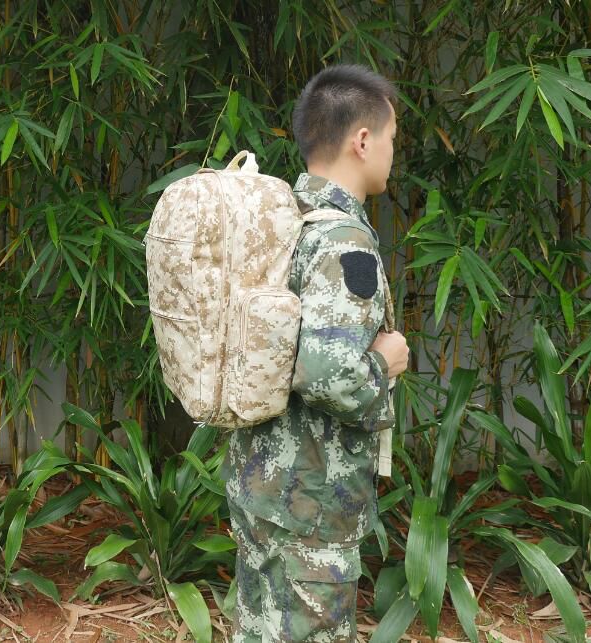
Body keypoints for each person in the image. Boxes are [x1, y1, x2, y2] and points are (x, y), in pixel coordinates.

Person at [222, 64, 411, 642]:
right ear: (362, 141)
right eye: (391, 138)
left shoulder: (281, 221)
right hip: (310, 500)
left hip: (260, 480)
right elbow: (329, 374)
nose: (392, 153)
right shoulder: (344, 241)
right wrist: (385, 362)